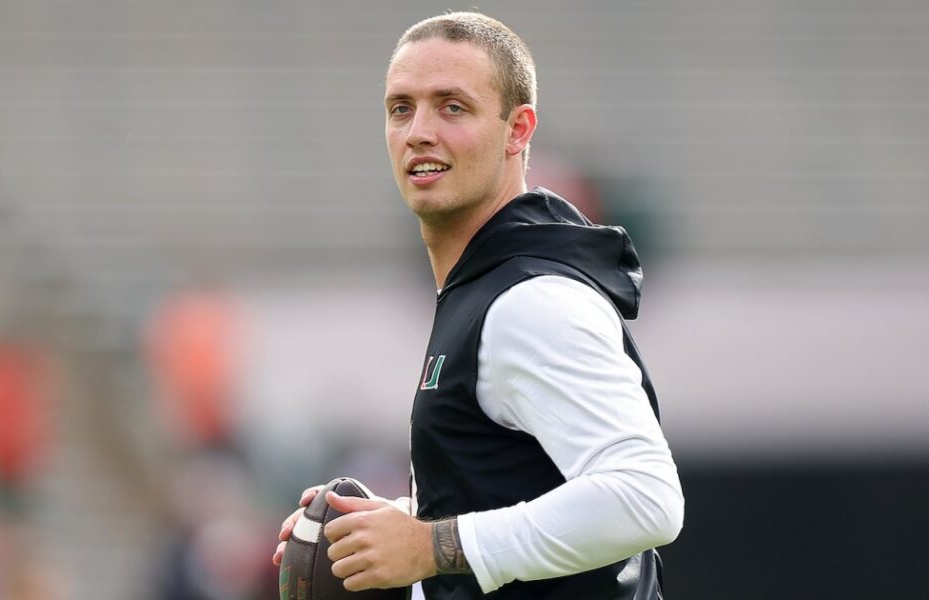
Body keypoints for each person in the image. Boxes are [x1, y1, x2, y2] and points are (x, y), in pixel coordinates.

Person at [273, 11, 684, 599]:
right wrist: (399, 526)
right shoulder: (484, 284)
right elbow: (525, 487)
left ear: (518, 130)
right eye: (401, 108)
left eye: (452, 107)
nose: (419, 131)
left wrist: (429, 545)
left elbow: (646, 498)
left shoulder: (531, 302)